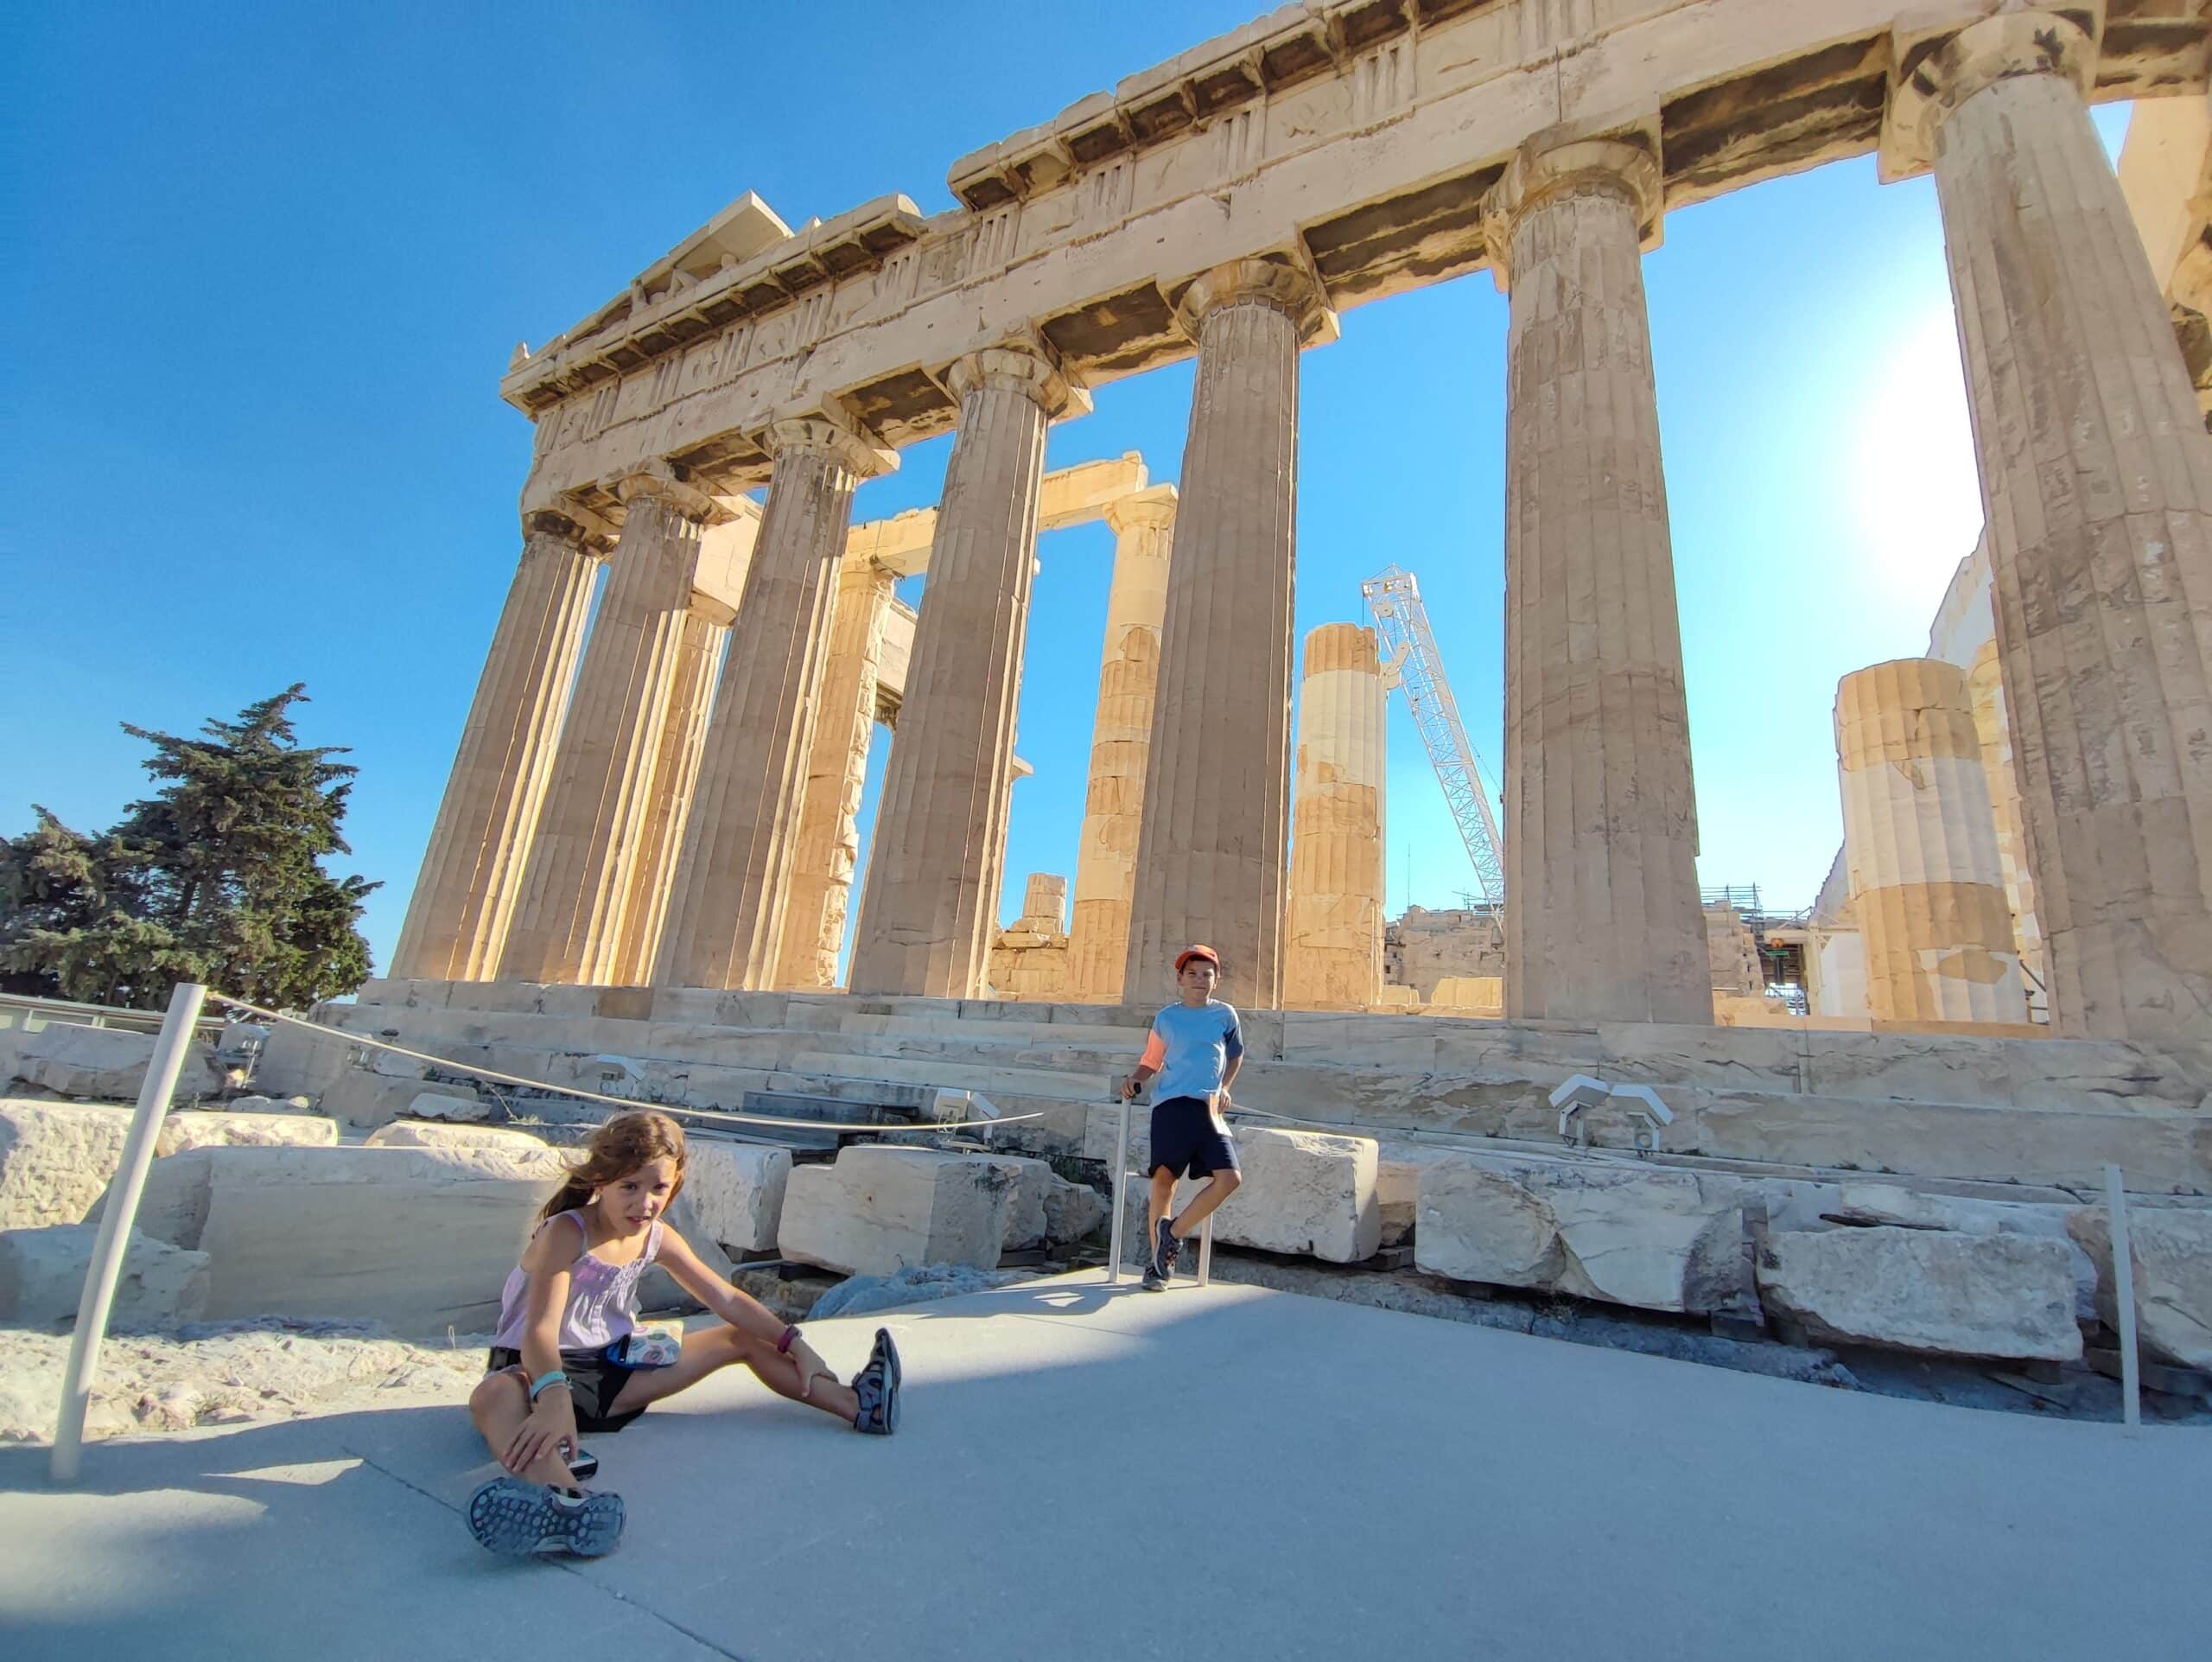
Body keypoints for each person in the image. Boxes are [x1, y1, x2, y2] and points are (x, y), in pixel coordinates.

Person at [464, 1110, 900, 1557]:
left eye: (658, 1188)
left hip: (610, 1373)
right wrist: (552, 1399)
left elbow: (725, 1299)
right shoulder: (566, 1232)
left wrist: (795, 1343)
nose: (645, 1203)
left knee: (740, 1339)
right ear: (601, 1181)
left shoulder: (656, 1236)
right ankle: (568, 1501)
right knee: (491, 1397)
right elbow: (539, 1331)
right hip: (535, 1373)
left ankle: (858, 1405)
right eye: (629, 1187)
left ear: (674, 1185)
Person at [1118, 943, 1245, 1291]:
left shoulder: (1226, 1015)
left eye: (1207, 974)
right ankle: (1158, 1268)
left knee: (1229, 1178)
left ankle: (1171, 1233)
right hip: (1171, 1105)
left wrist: (1225, 1086)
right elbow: (1151, 1061)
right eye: (1192, 974)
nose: (1199, 980)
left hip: (1208, 1107)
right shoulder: (1166, 1017)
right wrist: (1135, 1079)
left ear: (1216, 980)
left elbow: (1235, 1056)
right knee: (1164, 1181)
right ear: (1180, 978)